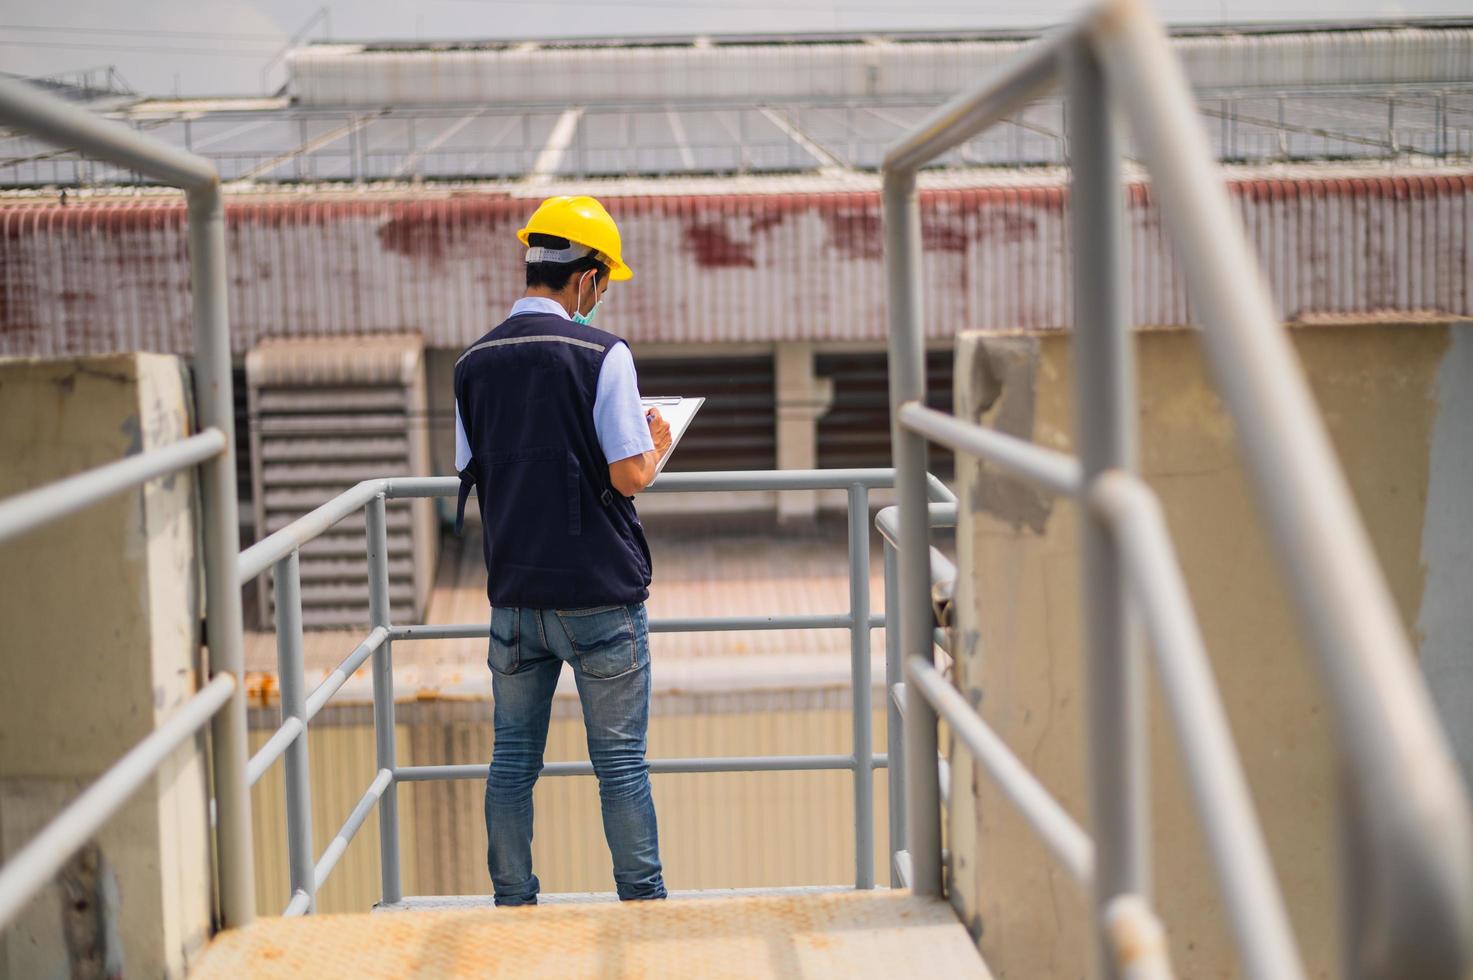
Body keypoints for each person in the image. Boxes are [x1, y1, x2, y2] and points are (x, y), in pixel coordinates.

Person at [452, 195, 672, 906]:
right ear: (585, 279)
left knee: (512, 761)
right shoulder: (603, 355)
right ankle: (641, 904)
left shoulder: (472, 363)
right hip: (600, 598)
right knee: (620, 767)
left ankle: (513, 902)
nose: (602, 296)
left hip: (515, 596)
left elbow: (472, 465)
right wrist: (657, 444)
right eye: (603, 282)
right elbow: (627, 474)